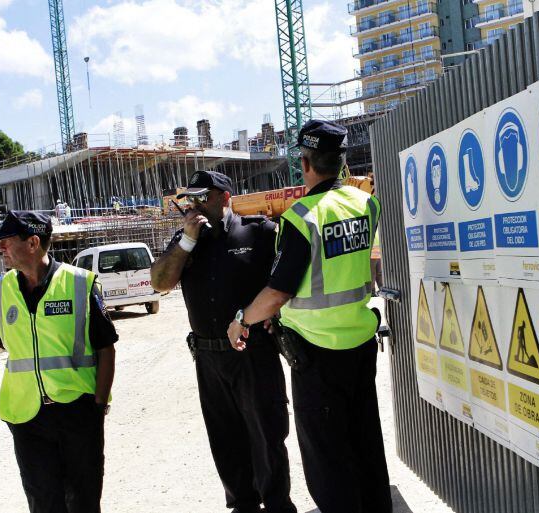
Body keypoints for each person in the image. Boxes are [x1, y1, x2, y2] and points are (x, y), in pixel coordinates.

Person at [227, 120, 391, 513]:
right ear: (340, 161)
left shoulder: (302, 217)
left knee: (328, 460)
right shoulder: (365, 203)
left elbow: (278, 292)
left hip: (317, 356)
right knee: (366, 443)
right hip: (360, 343)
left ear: (305, 162)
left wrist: (242, 319)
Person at [0, 210, 117, 513]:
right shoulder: (2, 290)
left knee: (83, 499)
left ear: (32, 242)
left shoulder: (79, 283)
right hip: (27, 418)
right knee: (42, 502)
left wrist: (98, 404)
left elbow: (106, 347)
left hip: (78, 412)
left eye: (5, 241)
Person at [150, 171, 296, 513]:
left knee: (266, 434)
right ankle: (243, 505)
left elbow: (286, 283)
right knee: (224, 438)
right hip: (208, 357)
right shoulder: (186, 241)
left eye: (204, 197)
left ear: (225, 198)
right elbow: (159, 283)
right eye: (192, 198)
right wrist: (186, 240)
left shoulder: (258, 232)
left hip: (253, 351)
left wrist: (276, 318)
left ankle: (277, 504)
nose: (195, 204)